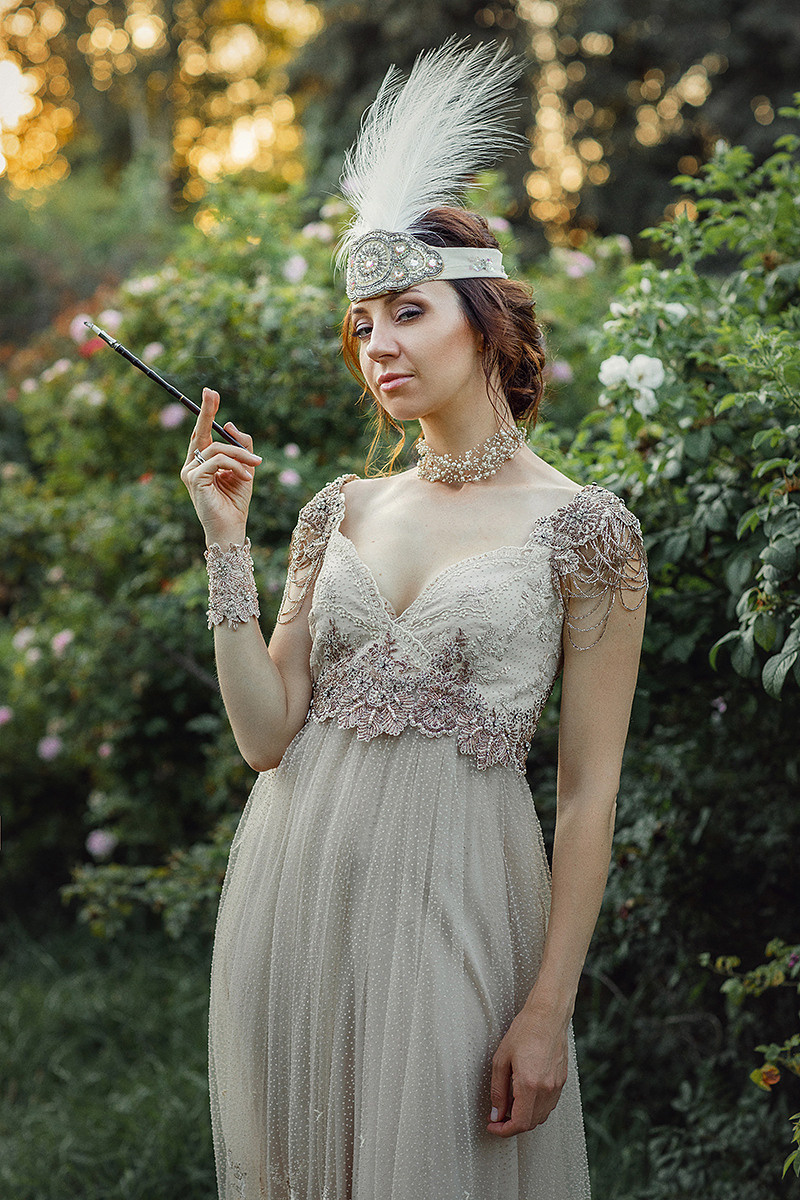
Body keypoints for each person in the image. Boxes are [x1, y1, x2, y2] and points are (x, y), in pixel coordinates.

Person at [181, 41, 647, 1200]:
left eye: (406, 313)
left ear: (484, 321)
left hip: (458, 905)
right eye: (361, 326)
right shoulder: (341, 508)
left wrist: (547, 1010)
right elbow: (263, 735)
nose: (378, 345)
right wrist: (225, 542)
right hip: (295, 893)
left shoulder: (586, 531)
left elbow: (587, 793)